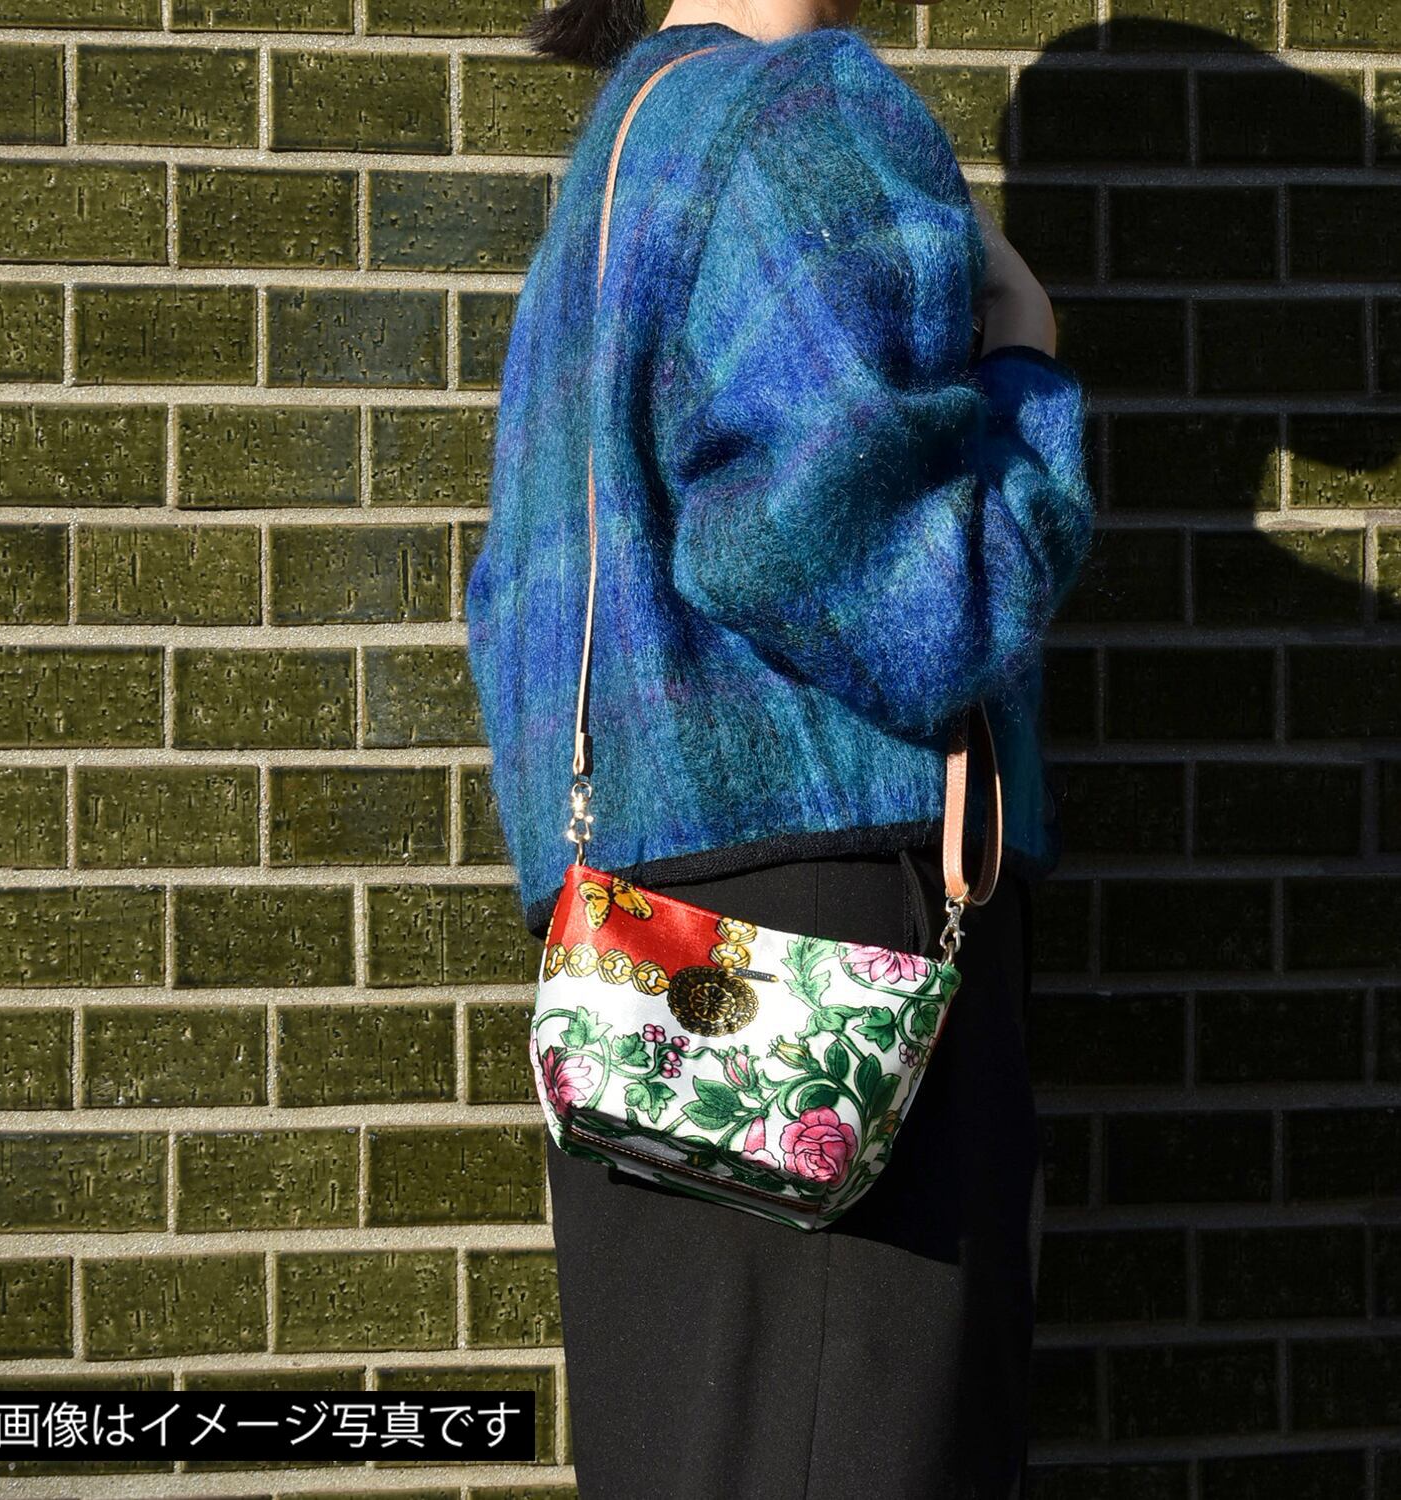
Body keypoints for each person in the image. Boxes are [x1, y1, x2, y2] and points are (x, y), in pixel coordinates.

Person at [463, 0, 1096, 1494]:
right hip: (838, 962)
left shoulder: (626, 152)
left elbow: (522, 603)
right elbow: (910, 603)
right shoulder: (802, 116)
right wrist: (1027, 363)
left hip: (644, 969)